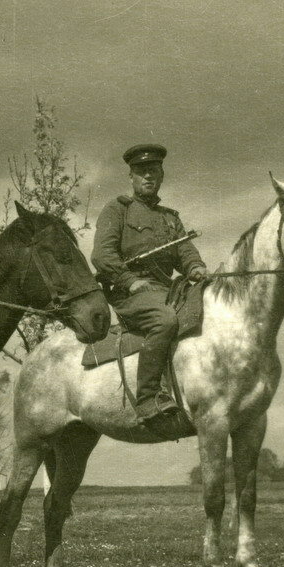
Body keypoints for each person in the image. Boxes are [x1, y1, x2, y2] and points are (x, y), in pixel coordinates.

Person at [91, 144, 207, 424]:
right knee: (165, 321)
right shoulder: (118, 210)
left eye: (153, 171)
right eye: (141, 172)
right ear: (131, 177)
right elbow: (102, 256)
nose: (148, 176)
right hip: (127, 293)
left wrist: (196, 267)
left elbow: (186, 253)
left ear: (161, 175)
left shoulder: (170, 219)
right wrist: (129, 281)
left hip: (165, 290)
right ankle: (148, 398)